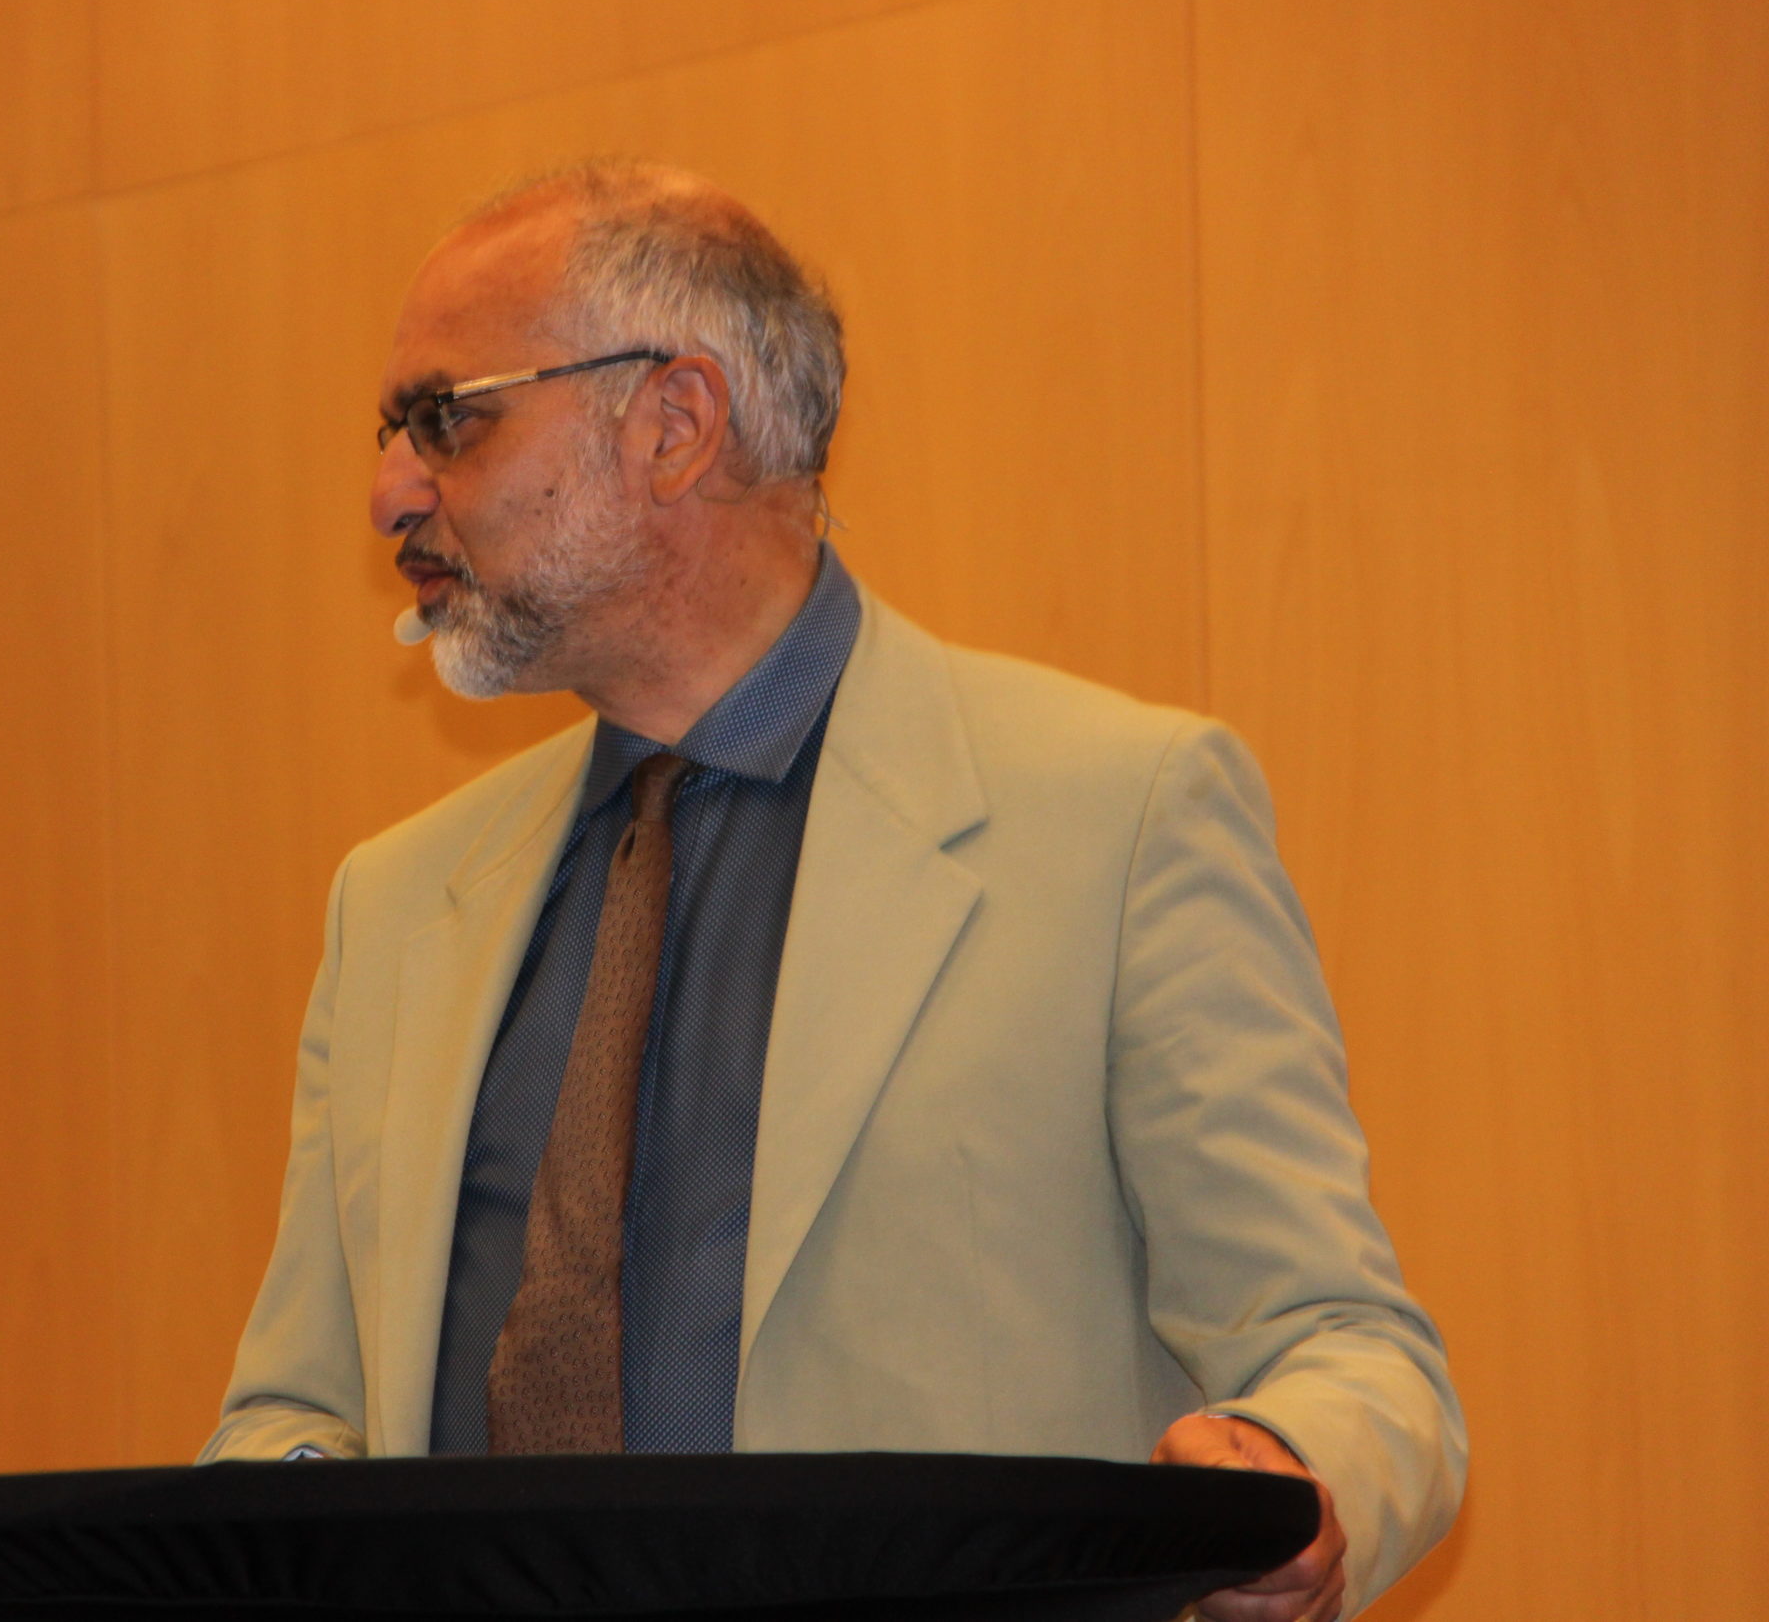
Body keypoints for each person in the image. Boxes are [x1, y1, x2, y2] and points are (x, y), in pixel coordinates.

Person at [201, 160, 1464, 1622]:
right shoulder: (394, 906)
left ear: (674, 425)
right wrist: (290, 1519)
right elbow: (292, 1413)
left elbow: (1346, 1347)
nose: (389, 493)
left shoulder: (1118, 821)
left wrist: (1291, 1471)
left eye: (446, 419)